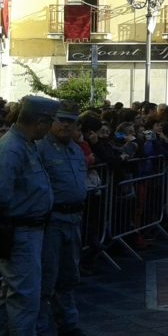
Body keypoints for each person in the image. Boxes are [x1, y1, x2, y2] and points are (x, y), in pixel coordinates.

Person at [0, 96, 57, 335]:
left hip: (30, 230)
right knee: (25, 298)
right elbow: (2, 194)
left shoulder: (25, 143)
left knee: (21, 294)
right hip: (20, 232)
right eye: (50, 123)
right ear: (40, 122)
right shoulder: (12, 148)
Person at [36, 101, 87, 336]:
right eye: (62, 120)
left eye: (71, 121)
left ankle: (69, 324)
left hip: (74, 218)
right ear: (51, 122)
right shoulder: (39, 149)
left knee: (69, 277)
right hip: (52, 221)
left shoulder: (75, 149)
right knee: (47, 278)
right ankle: (42, 328)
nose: (66, 125)